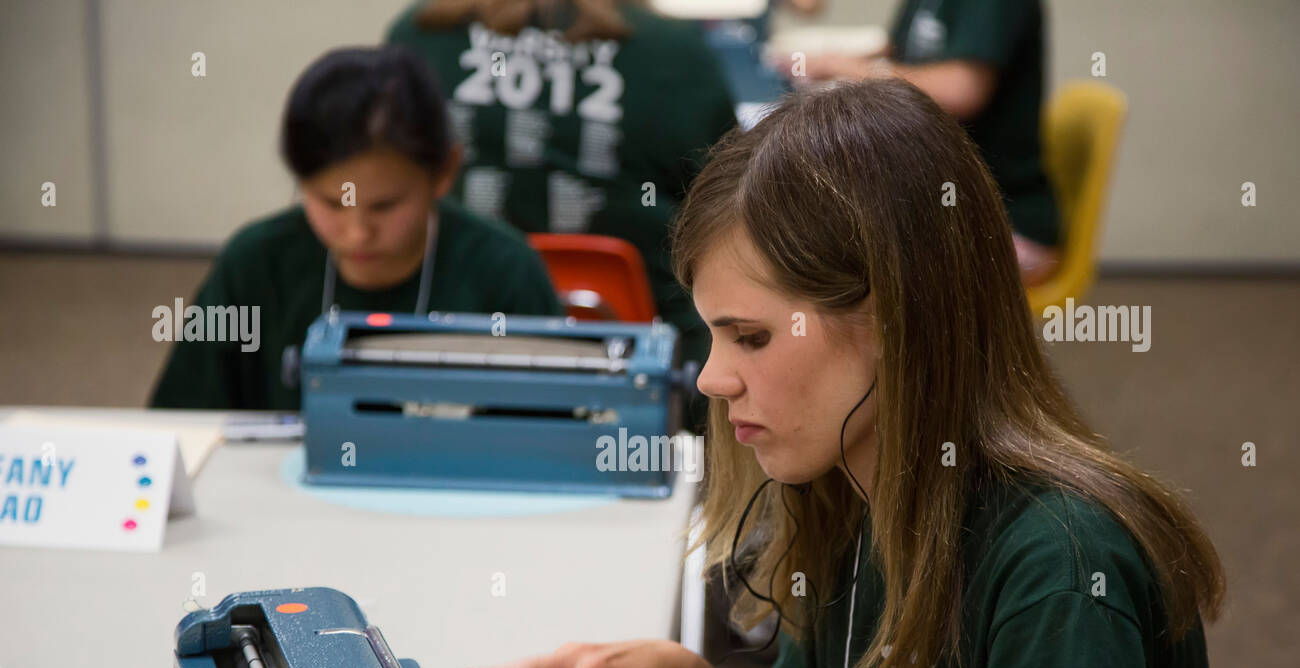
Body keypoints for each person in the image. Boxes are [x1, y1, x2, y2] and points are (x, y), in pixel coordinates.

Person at [454, 79, 1226, 668]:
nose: (712, 378)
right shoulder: (860, 488)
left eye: (749, 337)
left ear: (895, 319)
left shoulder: (1061, 570)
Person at [150, 45, 562, 411]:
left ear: (444, 172)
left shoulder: (505, 272)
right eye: (331, 203)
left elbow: (553, 432)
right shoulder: (254, 265)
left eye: (385, 206)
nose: (357, 233)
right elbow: (185, 426)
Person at [385, 0, 739, 371]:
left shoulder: (420, 36)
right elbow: (732, 210)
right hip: (646, 360)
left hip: (441, 345)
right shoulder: (675, 54)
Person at [775, 0, 1062, 286]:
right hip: (935, 206)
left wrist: (846, 67)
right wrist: (830, 59)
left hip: (997, 220)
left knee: (833, 259)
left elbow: (961, 89)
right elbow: (901, 52)